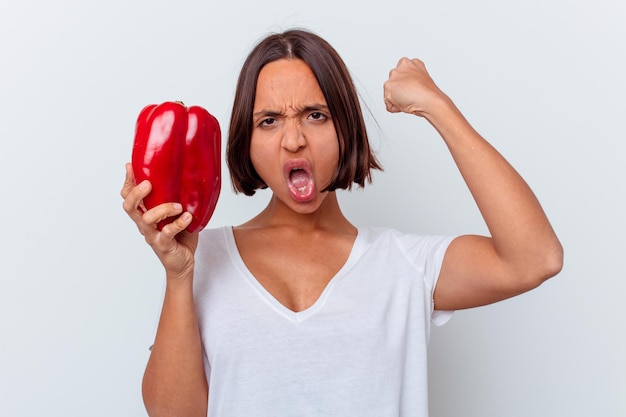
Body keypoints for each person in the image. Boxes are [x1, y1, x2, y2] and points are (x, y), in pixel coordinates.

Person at [121, 29, 563, 417]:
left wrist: (437, 106)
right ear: (246, 140)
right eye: (269, 121)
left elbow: (535, 258)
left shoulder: (405, 265)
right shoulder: (202, 257)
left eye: (316, 115)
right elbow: (174, 415)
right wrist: (179, 276)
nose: (294, 140)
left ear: (346, 127)